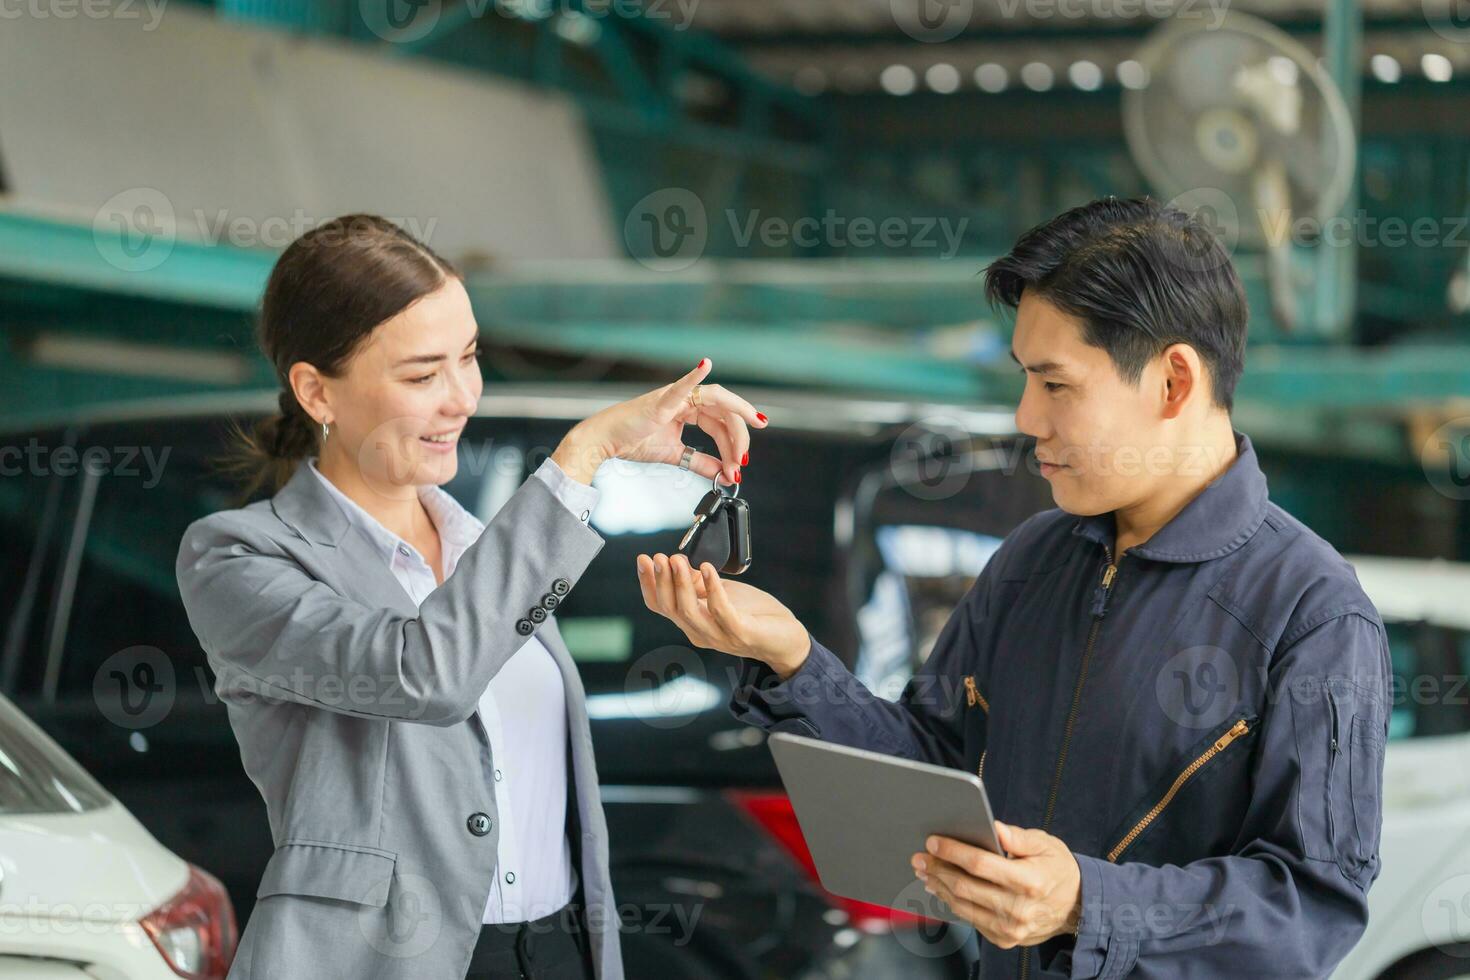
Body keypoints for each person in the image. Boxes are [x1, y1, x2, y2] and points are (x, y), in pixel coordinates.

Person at [637, 197, 1390, 979]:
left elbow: (1312, 905)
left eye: (1055, 385)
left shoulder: (1312, 614)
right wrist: (792, 659)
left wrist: (1086, 904)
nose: (1027, 417)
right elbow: (931, 772)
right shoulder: (1035, 558)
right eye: (1025, 380)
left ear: (1172, 383)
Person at [175, 214, 767, 980]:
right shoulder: (240, 557)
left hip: (558, 952)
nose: (461, 398)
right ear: (317, 390)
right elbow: (423, 674)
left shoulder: (484, 548)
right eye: (423, 375)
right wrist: (582, 456)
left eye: (469, 357)